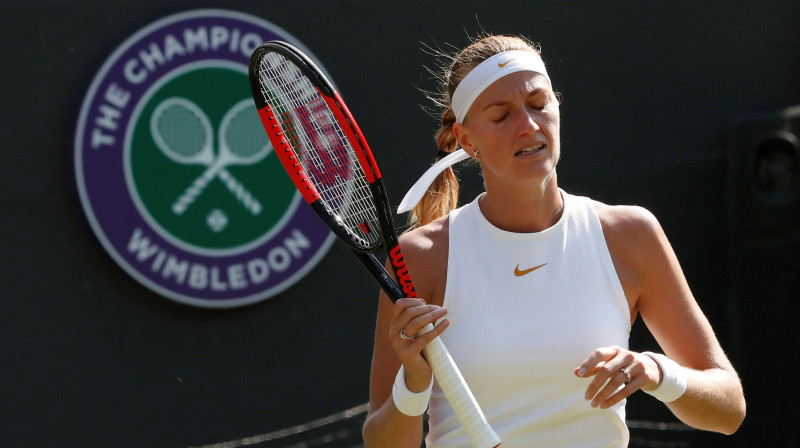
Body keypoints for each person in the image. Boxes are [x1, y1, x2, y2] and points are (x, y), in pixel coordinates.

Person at [362, 34, 745, 447]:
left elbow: (728, 409)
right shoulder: (423, 257)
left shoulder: (630, 235)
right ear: (467, 139)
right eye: (501, 115)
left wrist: (656, 372)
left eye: (538, 104)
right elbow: (382, 443)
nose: (528, 126)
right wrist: (413, 383)